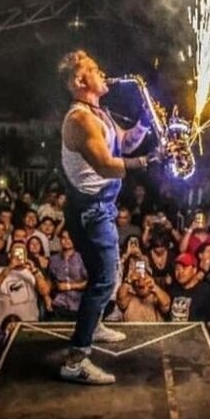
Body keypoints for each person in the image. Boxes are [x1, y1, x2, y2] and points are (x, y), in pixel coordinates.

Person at [57, 50, 153, 385]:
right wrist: (151, 160)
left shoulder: (100, 112)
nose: (103, 73)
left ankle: (94, 326)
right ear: (80, 81)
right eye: (95, 69)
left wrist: (144, 122)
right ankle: (75, 361)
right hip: (91, 212)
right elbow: (107, 165)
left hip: (99, 208)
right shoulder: (79, 120)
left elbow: (123, 144)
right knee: (104, 280)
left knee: (103, 276)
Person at [169, 253, 210, 337]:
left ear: (194, 270)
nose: (180, 272)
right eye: (177, 269)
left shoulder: (207, 291)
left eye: (184, 267)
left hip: (199, 341)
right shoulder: (172, 291)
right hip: (176, 340)